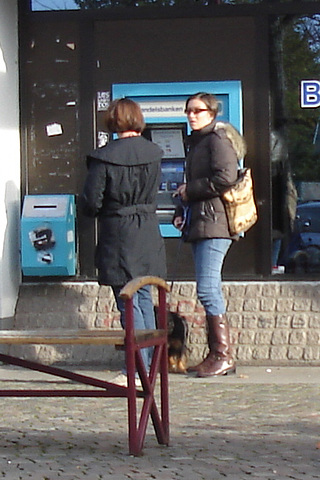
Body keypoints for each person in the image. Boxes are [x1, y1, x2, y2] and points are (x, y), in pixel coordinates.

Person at [81, 98, 167, 387]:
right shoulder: (154, 153)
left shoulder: (105, 157)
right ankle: (150, 367)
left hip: (118, 232)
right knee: (143, 298)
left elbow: (91, 201)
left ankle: (136, 371)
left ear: (113, 121)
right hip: (148, 231)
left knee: (126, 302)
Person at [172, 92, 246, 378]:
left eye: (198, 110)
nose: (192, 115)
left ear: (212, 113)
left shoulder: (217, 140)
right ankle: (216, 354)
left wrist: (191, 191)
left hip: (216, 225)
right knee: (207, 287)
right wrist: (183, 208)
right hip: (201, 222)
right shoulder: (198, 142)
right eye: (188, 110)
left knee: (207, 288)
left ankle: (222, 354)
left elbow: (226, 178)